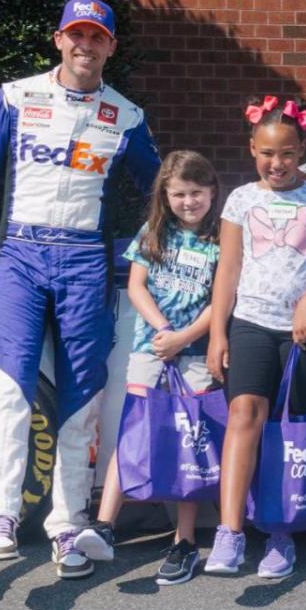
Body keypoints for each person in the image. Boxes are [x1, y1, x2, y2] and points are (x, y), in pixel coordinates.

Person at [0, 0, 161, 579]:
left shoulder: (126, 115)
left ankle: (67, 525)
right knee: (11, 387)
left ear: (110, 48)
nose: (85, 46)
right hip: (20, 255)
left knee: (81, 397)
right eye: (76, 35)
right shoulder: (15, 97)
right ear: (57, 39)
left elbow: (159, 191)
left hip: (84, 263)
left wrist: (165, 253)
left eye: (96, 37)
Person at [204, 96, 306, 579]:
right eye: (268, 153)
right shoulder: (240, 200)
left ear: (302, 151)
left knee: (290, 434)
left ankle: (280, 536)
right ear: (253, 150)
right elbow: (227, 270)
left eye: (287, 153)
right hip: (249, 322)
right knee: (243, 415)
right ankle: (228, 535)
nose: (278, 163)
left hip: (302, 333)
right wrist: (216, 334)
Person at [73, 150, 222, 585]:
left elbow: (221, 302)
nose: (189, 202)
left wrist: (184, 337)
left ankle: (185, 540)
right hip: (150, 349)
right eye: (179, 194)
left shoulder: (222, 239)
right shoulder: (153, 232)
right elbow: (136, 286)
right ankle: (104, 524)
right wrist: (162, 330)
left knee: (188, 445)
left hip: (193, 355)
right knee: (134, 432)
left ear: (212, 191)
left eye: (197, 192)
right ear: (165, 195)